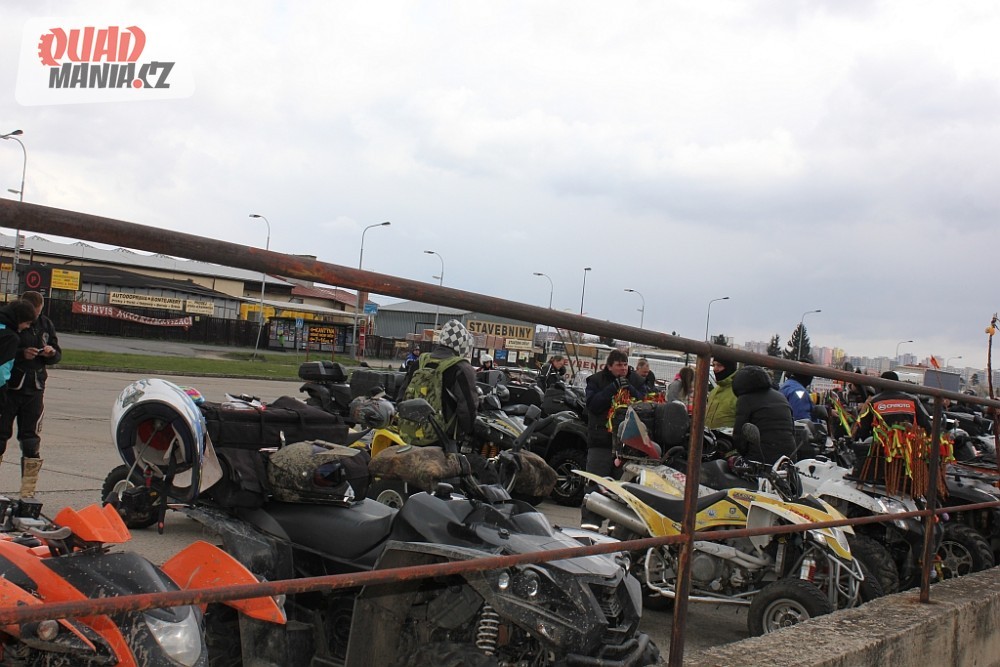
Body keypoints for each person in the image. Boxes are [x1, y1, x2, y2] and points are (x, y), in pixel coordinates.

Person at [0, 293, 61, 498]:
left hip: (34, 388)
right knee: (1, 435)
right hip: (10, 388)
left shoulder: (46, 324)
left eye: (37, 312)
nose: (33, 318)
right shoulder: (11, 325)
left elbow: (57, 352)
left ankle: (28, 492)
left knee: (30, 440)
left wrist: (51, 353)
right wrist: (22, 353)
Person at [580, 349, 646, 530]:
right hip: (600, 443)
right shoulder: (596, 381)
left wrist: (630, 388)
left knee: (622, 491)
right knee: (595, 486)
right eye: (619, 365)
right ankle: (590, 528)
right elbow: (593, 405)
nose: (623, 368)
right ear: (609, 366)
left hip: (627, 447)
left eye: (625, 365)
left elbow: (645, 403)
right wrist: (613, 388)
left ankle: (615, 531)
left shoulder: (637, 381)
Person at [396, 319, 478, 445]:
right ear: (462, 344)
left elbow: (402, 395)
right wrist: (467, 432)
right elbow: (467, 409)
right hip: (442, 439)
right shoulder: (462, 368)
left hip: (410, 434)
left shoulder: (420, 362)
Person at [729, 365, 796, 464]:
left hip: (760, 460)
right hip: (788, 458)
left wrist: (743, 454)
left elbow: (739, 435)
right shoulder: (780, 396)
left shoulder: (745, 399)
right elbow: (792, 429)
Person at [853, 371, 932, 441]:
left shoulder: (874, 402)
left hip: (881, 448)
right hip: (908, 447)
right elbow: (928, 426)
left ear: (880, 384)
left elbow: (862, 431)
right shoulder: (913, 400)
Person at [705, 357, 738, 429]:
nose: (715, 369)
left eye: (719, 365)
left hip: (727, 436)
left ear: (729, 368)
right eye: (714, 365)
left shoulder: (738, 392)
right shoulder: (714, 391)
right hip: (709, 435)